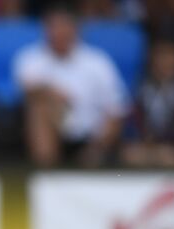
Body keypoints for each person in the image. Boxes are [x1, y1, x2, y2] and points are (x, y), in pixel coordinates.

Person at [13, 4, 130, 167]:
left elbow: (116, 109)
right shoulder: (31, 59)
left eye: (64, 26)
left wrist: (98, 147)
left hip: (92, 138)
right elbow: (26, 90)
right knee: (39, 107)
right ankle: (46, 170)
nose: (58, 32)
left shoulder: (98, 62)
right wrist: (50, 92)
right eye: (53, 27)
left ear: (76, 29)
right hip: (54, 133)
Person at [120, 37, 174, 167]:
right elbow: (130, 119)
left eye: (169, 56)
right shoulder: (143, 87)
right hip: (151, 148)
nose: (165, 61)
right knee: (130, 154)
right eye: (161, 56)